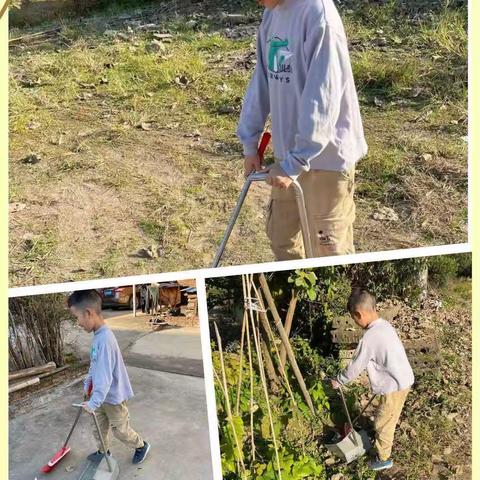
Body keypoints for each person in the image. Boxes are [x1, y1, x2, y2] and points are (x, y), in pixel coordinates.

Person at [237, 0, 367, 260]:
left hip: (325, 164)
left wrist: (295, 162)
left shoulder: (318, 14)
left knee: (328, 252)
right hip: (288, 159)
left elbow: (323, 97)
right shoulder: (272, 13)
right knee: (281, 240)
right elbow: (262, 80)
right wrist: (250, 143)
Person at [331, 289, 414, 471]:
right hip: (401, 379)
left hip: (395, 386)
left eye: (354, 319)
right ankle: (380, 434)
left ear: (358, 314)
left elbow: (355, 366)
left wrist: (339, 380)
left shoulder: (369, 337)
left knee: (383, 423)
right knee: (386, 415)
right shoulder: (385, 325)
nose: (356, 323)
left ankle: (384, 459)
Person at [68, 289, 150, 465]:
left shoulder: (105, 339)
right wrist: (88, 382)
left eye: (77, 317)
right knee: (98, 428)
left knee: (120, 430)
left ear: (88, 313)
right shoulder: (98, 336)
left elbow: (105, 378)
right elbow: (95, 364)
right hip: (100, 396)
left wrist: (93, 403)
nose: (78, 323)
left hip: (112, 397)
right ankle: (103, 452)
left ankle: (141, 446)